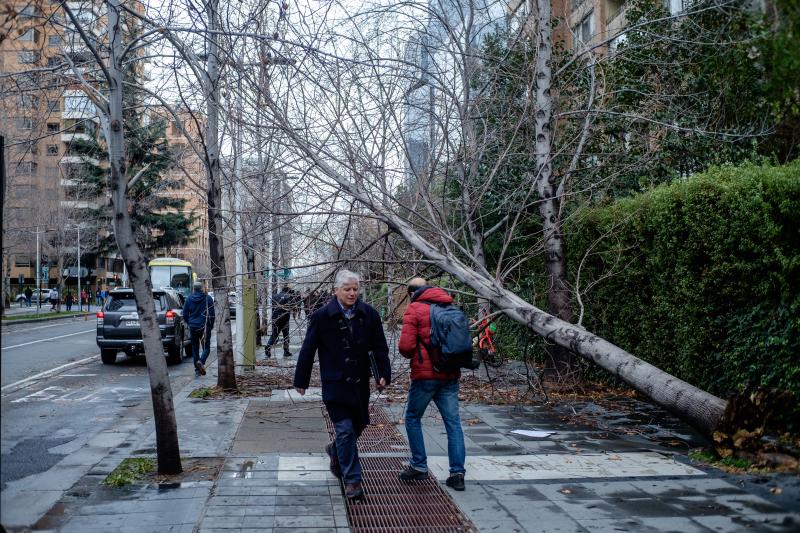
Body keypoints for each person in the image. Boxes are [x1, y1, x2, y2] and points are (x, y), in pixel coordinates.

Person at [293, 270, 391, 502]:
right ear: (336, 290)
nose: (352, 293)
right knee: (345, 430)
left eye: (355, 289)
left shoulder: (370, 314)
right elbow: (308, 349)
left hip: (360, 384)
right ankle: (353, 481)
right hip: (335, 384)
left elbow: (380, 347)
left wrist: (383, 374)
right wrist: (301, 380)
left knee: (359, 425)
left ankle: (335, 450)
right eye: (347, 289)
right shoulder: (321, 316)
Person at [397, 277, 467, 491]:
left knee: (412, 418)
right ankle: (457, 473)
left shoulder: (415, 308)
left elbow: (406, 347)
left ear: (411, 293)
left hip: (426, 376)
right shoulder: (450, 305)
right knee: (453, 423)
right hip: (450, 373)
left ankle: (418, 466)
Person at [183, 280, 216, 376]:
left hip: (193, 327)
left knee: (195, 348)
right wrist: (211, 325)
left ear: (193, 289)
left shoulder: (189, 299)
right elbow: (212, 315)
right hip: (204, 327)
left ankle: (197, 370)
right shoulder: (208, 298)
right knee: (206, 347)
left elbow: (185, 314)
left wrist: (190, 323)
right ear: (202, 289)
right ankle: (201, 361)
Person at [264, 285, 294, 358]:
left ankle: (268, 346)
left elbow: (272, 307)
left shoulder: (274, 296)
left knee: (274, 334)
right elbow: (291, 306)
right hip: (284, 318)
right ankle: (286, 351)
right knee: (286, 335)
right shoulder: (288, 296)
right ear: (287, 290)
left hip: (275, 318)